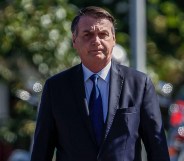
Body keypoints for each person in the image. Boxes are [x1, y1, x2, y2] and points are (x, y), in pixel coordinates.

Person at [30, 6, 170, 161]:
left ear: (114, 39)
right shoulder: (55, 88)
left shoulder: (139, 84)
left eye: (103, 34)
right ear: (74, 40)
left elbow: (157, 148)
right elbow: (41, 151)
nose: (96, 41)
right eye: (87, 34)